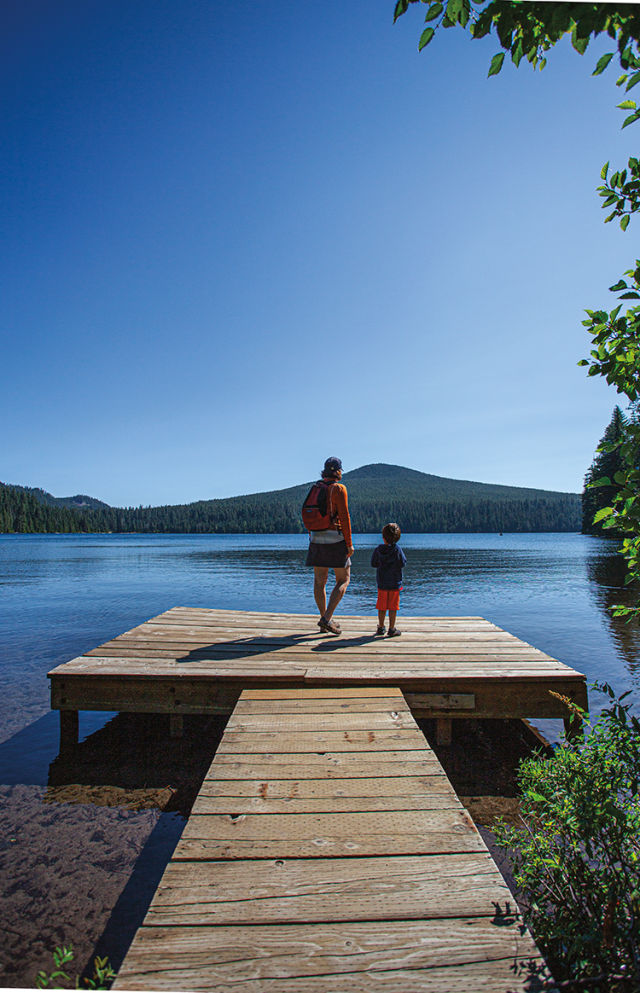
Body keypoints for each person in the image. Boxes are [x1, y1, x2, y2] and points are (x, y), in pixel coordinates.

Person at [305, 457, 354, 635]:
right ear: (339, 471)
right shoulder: (339, 489)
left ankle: (325, 619)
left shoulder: (316, 488)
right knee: (343, 579)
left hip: (316, 538)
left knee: (319, 581)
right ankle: (326, 619)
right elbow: (344, 517)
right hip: (335, 538)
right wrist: (349, 544)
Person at [371, 522, 406, 637]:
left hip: (382, 583)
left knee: (382, 606)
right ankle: (391, 628)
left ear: (383, 537)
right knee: (393, 607)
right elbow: (402, 563)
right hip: (395, 583)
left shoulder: (378, 549)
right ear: (397, 537)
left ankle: (381, 627)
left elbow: (373, 563)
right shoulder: (397, 550)